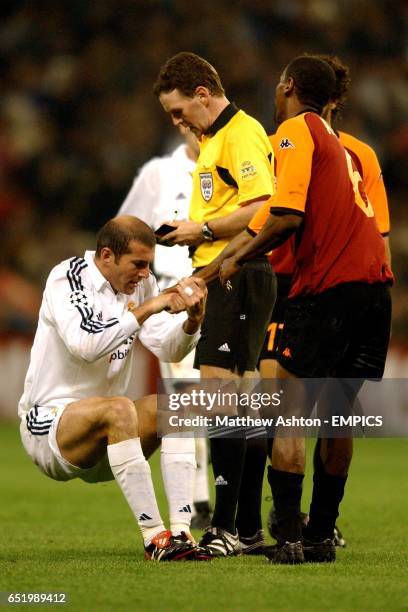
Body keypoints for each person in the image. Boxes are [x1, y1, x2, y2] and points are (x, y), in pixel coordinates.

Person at [215, 54, 393, 564]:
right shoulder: (355, 152)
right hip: (373, 290)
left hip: (320, 288)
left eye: (277, 84)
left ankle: (285, 535)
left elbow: (283, 215)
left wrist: (232, 257)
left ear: (289, 86)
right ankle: (321, 534)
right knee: (338, 417)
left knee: (284, 412)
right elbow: (378, 233)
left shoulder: (294, 132)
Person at [18, 215, 211, 562]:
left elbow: (167, 347)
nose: (144, 274)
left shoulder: (141, 284)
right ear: (107, 256)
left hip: (112, 439)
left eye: (147, 265)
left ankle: (181, 534)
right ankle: (155, 538)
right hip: (49, 425)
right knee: (119, 406)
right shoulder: (68, 278)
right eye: (137, 264)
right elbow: (86, 343)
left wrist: (192, 323)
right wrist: (151, 307)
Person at [153, 51, 276, 556]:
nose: (177, 122)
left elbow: (261, 205)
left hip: (240, 274)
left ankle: (225, 528)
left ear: (203, 94)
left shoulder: (241, 132)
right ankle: (245, 529)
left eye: (179, 110)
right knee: (240, 403)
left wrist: (199, 229)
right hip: (225, 274)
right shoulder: (212, 140)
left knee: (222, 398)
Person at [117, 125, 212, 529]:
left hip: (227, 290)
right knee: (189, 402)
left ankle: (229, 500)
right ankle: (200, 499)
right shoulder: (159, 173)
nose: (196, 131)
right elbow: (123, 230)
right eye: (186, 124)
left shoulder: (234, 166)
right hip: (178, 299)